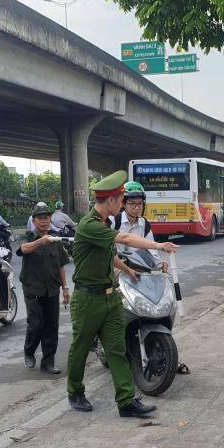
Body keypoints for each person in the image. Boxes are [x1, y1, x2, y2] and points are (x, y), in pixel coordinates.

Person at [66, 171, 179, 418]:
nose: (123, 206)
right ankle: (75, 391)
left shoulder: (104, 223)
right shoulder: (90, 225)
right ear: (109, 201)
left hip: (110, 296)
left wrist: (128, 268)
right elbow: (125, 238)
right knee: (81, 348)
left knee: (117, 349)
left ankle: (126, 401)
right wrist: (159, 245)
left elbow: (110, 256)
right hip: (88, 300)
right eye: (120, 201)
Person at [18, 203, 70, 373]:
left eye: (46, 218)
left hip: (52, 289)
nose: (44, 221)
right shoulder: (28, 236)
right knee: (36, 323)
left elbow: (61, 265)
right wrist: (41, 241)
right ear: (34, 221)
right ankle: (29, 351)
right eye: (40, 218)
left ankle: (48, 362)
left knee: (52, 326)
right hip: (33, 288)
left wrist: (65, 288)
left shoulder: (55, 240)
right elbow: (24, 249)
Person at [109, 180, 167, 273]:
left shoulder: (144, 224)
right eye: (132, 204)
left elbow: (151, 249)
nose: (137, 208)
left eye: (139, 204)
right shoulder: (113, 221)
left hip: (137, 268)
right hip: (116, 268)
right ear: (123, 204)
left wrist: (159, 263)